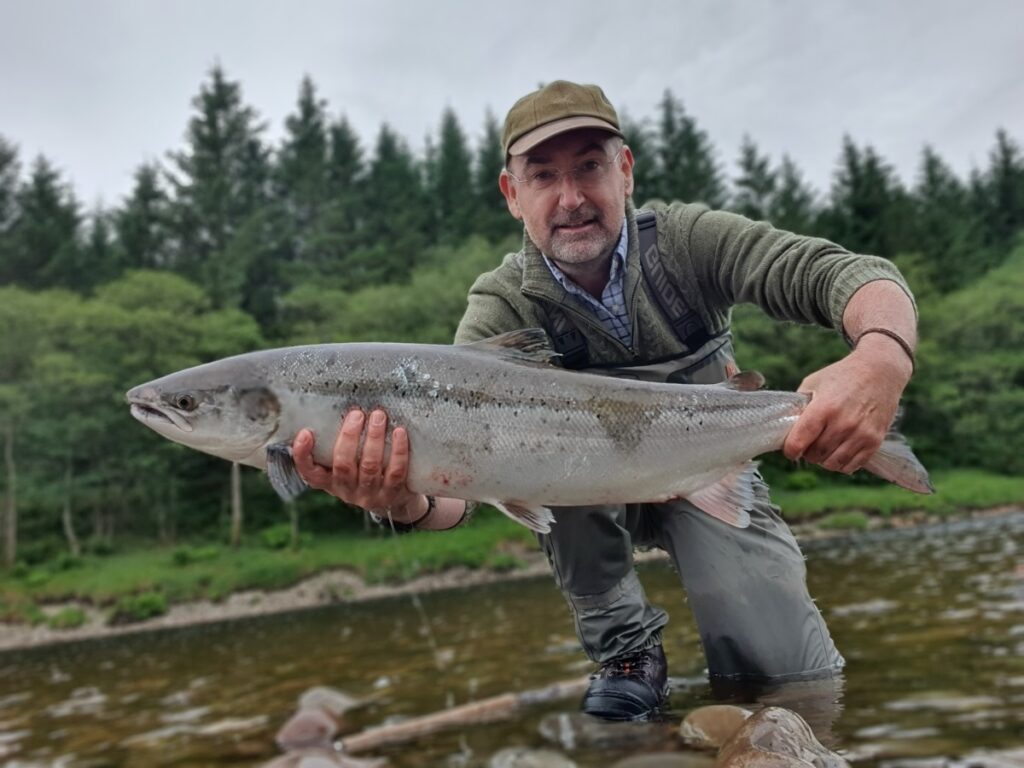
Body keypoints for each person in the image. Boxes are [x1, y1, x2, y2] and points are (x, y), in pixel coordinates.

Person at [291, 80, 918, 722]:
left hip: (710, 473)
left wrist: (879, 356)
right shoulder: (500, 307)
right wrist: (404, 501)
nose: (571, 198)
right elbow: (464, 492)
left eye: (590, 167)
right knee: (541, 456)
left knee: (790, 679)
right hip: (582, 504)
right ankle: (628, 653)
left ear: (625, 172)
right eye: (543, 176)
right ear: (513, 195)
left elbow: (850, 275)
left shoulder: (689, 241)